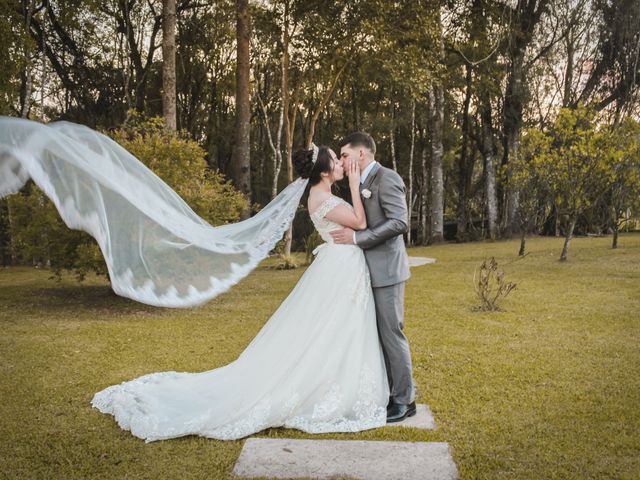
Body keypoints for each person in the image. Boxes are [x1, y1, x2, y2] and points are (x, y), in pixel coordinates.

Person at [90, 144, 390, 441]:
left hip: (341, 267)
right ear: (324, 171)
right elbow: (360, 223)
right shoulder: (323, 197)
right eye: (336, 160)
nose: (341, 163)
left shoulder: (321, 194)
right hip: (339, 267)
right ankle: (325, 388)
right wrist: (353, 183)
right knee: (331, 329)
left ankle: (334, 383)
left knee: (336, 330)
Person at [330, 132, 416, 422]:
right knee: (379, 336)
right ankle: (393, 393)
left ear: (361, 154)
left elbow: (400, 222)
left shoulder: (386, 177)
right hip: (368, 271)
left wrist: (358, 237)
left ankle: (405, 400)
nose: (342, 160)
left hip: (387, 271)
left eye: (344, 154)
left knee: (392, 333)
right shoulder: (360, 182)